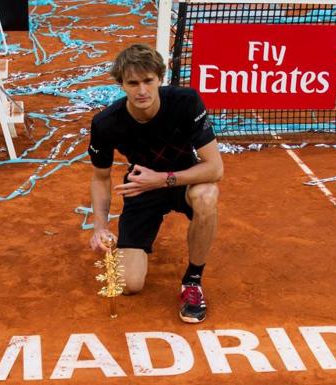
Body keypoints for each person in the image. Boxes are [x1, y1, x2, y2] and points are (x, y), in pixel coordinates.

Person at [88, 44, 223, 323]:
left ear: (159, 78)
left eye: (148, 81)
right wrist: (100, 226)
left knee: (207, 195)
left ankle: (193, 281)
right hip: (142, 189)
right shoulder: (106, 123)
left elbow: (215, 168)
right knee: (129, 284)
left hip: (184, 180)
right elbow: (100, 178)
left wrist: (161, 180)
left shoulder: (186, 102)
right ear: (121, 85)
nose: (142, 90)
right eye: (133, 83)